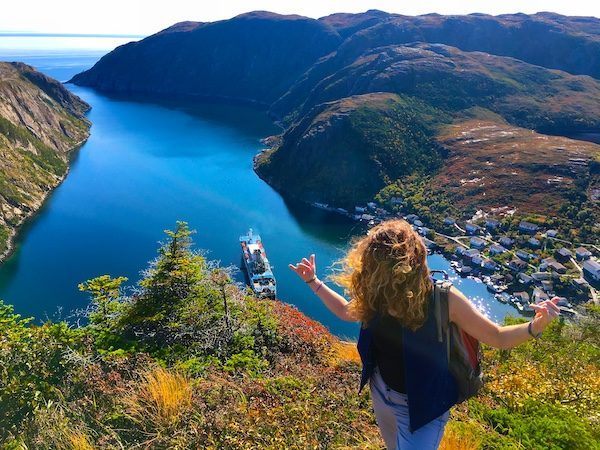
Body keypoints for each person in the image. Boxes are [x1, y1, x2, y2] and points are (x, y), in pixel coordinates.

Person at [289, 219, 560, 450]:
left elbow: (497, 337)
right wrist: (313, 281)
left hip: (424, 408)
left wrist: (535, 326)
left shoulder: (443, 300)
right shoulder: (378, 295)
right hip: (381, 390)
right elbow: (347, 311)